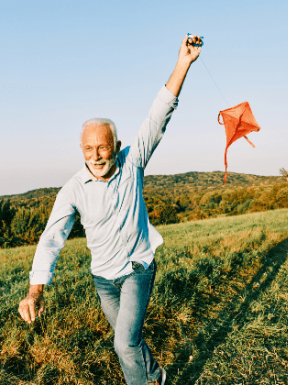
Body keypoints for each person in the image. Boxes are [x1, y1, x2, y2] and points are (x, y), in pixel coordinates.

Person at [18, 34, 203, 385]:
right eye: (88, 149)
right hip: (104, 279)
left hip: (137, 267)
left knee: (123, 343)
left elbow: (158, 115)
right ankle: (157, 375)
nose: (96, 156)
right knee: (128, 340)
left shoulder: (132, 162)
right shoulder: (73, 189)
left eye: (103, 147)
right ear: (81, 149)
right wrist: (35, 291)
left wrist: (183, 62)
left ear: (116, 146)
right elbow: (52, 238)